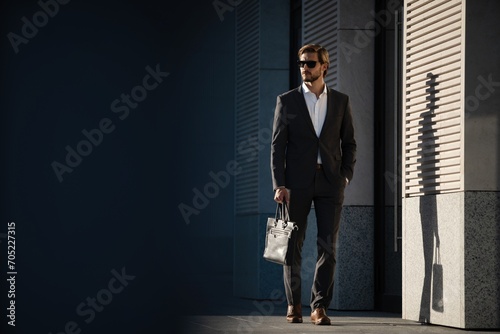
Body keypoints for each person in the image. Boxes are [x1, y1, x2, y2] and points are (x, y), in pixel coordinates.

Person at [270, 43, 356, 325]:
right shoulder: (288, 101)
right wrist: (279, 184)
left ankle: (319, 307)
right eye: (301, 64)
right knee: (293, 244)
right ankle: (294, 305)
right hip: (296, 185)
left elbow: (349, 143)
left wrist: (344, 175)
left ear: (324, 66)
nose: (304, 68)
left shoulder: (341, 101)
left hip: (331, 182)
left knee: (327, 246)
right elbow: (277, 147)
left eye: (310, 63)